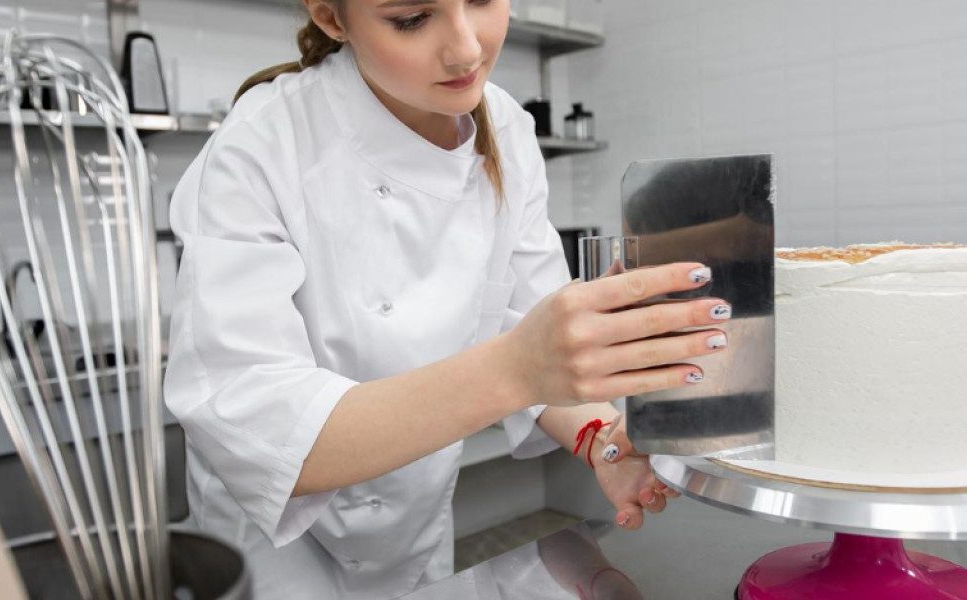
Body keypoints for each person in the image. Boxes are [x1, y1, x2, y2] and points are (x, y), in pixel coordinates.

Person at [163, 0, 728, 596]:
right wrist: (518, 366)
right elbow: (268, 435)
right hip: (269, 551)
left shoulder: (505, 128)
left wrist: (604, 441)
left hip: (413, 531)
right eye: (410, 18)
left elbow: (531, 329)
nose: (466, 49)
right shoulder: (260, 143)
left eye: (482, 0)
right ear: (332, 17)